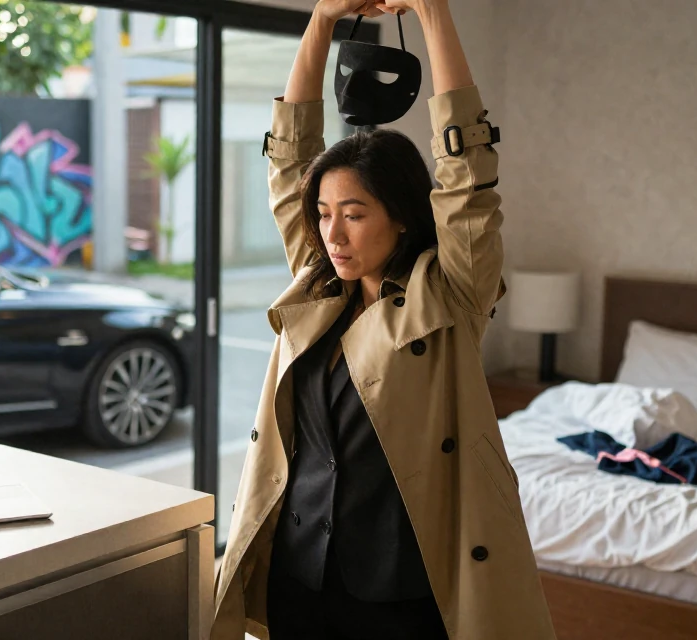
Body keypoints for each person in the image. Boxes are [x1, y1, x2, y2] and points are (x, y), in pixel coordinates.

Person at [210, 0, 557, 638]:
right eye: (323, 214)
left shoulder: (448, 296)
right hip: (298, 572)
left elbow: (468, 178)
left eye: (354, 214)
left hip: (397, 589)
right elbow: (288, 161)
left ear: (400, 215)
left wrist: (432, 12)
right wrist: (321, 20)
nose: (333, 233)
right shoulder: (318, 284)